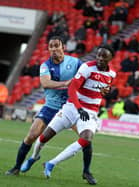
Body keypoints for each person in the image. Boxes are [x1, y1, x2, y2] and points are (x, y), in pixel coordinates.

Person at [22, 45, 116, 184]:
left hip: (90, 112)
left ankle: (51, 163)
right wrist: (79, 108)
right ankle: (34, 157)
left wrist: (105, 91)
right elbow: (72, 88)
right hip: (72, 107)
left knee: (87, 139)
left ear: (110, 58)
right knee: (44, 137)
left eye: (104, 56)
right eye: (98, 55)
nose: (100, 59)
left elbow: (104, 88)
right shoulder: (87, 68)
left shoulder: (112, 74)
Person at [5, 36, 91, 179]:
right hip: (51, 107)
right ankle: (16, 168)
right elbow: (46, 83)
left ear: (63, 47)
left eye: (56, 45)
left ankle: (86, 172)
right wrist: (67, 83)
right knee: (32, 135)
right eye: (51, 46)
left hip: (71, 107)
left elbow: (86, 77)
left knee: (86, 138)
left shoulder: (75, 62)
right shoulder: (45, 66)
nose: (54, 49)